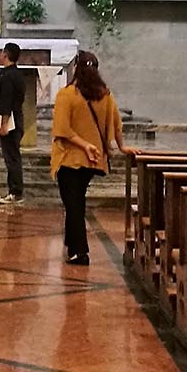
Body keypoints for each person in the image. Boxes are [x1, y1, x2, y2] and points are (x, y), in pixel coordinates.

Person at [50, 50, 127, 265]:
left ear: (76, 68)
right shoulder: (105, 95)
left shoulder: (67, 95)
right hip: (93, 160)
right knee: (76, 201)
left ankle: (79, 251)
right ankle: (70, 242)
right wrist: (122, 147)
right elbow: (117, 124)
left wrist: (84, 145)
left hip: (70, 158)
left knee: (73, 204)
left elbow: (62, 130)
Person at [0, 42, 27, 205]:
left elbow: (6, 101)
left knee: (12, 157)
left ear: (5, 54)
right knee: (12, 156)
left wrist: (4, 124)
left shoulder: (8, 76)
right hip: (17, 118)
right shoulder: (17, 74)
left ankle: (15, 192)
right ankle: (13, 191)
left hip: (11, 122)